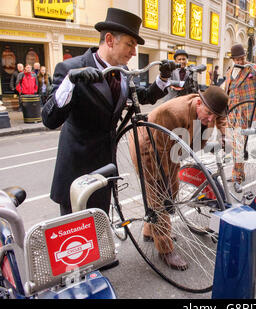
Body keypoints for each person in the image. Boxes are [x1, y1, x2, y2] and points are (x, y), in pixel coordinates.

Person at [41, 8, 176, 217]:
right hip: (76, 175)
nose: (133, 53)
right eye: (130, 44)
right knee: (76, 237)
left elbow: (144, 96)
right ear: (110, 40)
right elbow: (49, 119)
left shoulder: (123, 74)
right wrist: (70, 82)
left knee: (100, 229)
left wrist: (163, 78)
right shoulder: (71, 68)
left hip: (105, 171)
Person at [129, 86, 229, 270]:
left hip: (173, 148)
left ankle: (149, 229)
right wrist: (165, 183)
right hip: (149, 148)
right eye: (208, 114)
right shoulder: (172, 114)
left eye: (214, 116)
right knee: (160, 196)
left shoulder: (211, 107)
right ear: (199, 102)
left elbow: (221, 117)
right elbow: (159, 155)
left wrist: (223, 135)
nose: (210, 120)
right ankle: (166, 250)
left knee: (172, 191)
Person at [224, 44, 256, 193]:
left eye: (242, 58)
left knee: (238, 146)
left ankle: (237, 178)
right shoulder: (229, 71)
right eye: (237, 58)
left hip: (244, 113)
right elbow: (227, 90)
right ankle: (240, 173)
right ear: (232, 59)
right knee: (235, 146)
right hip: (231, 112)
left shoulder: (251, 68)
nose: (240, 61)